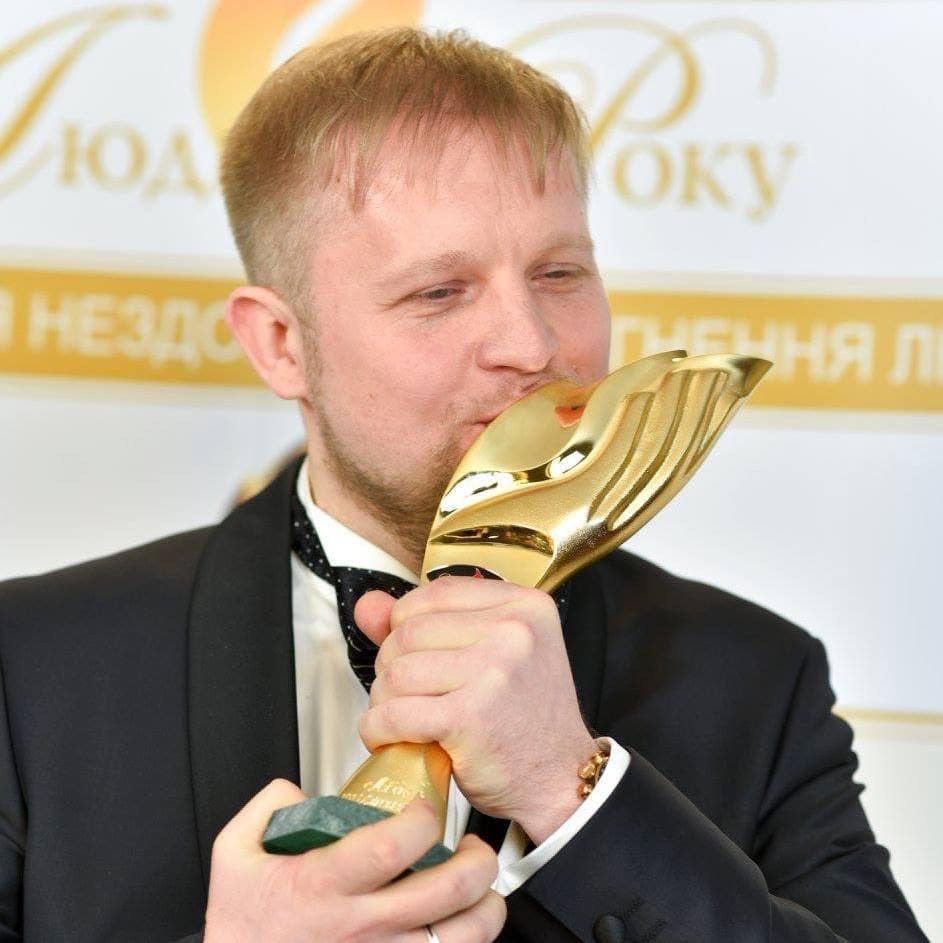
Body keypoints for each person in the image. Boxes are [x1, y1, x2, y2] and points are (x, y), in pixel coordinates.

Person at [0, 27, 928, 943]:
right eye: (438, 292)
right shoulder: (30, 668)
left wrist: (573, 789)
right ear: (280, 343)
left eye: (559, 273)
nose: (531, 345)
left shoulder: (753, 677)